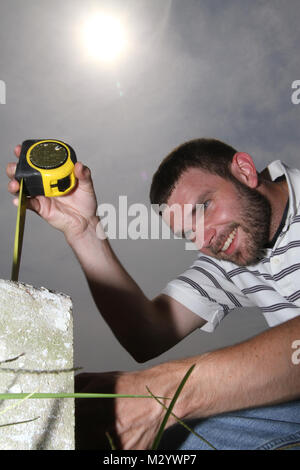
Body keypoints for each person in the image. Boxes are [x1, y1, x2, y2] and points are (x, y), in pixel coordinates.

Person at [6, 138, 300, 450]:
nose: (207, 238)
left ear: (244, 171)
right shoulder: (229, 255)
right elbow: (146, 334)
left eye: (204, 207)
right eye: (189, 234)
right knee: (172, 435)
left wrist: (165, 394)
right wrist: (84, 230)